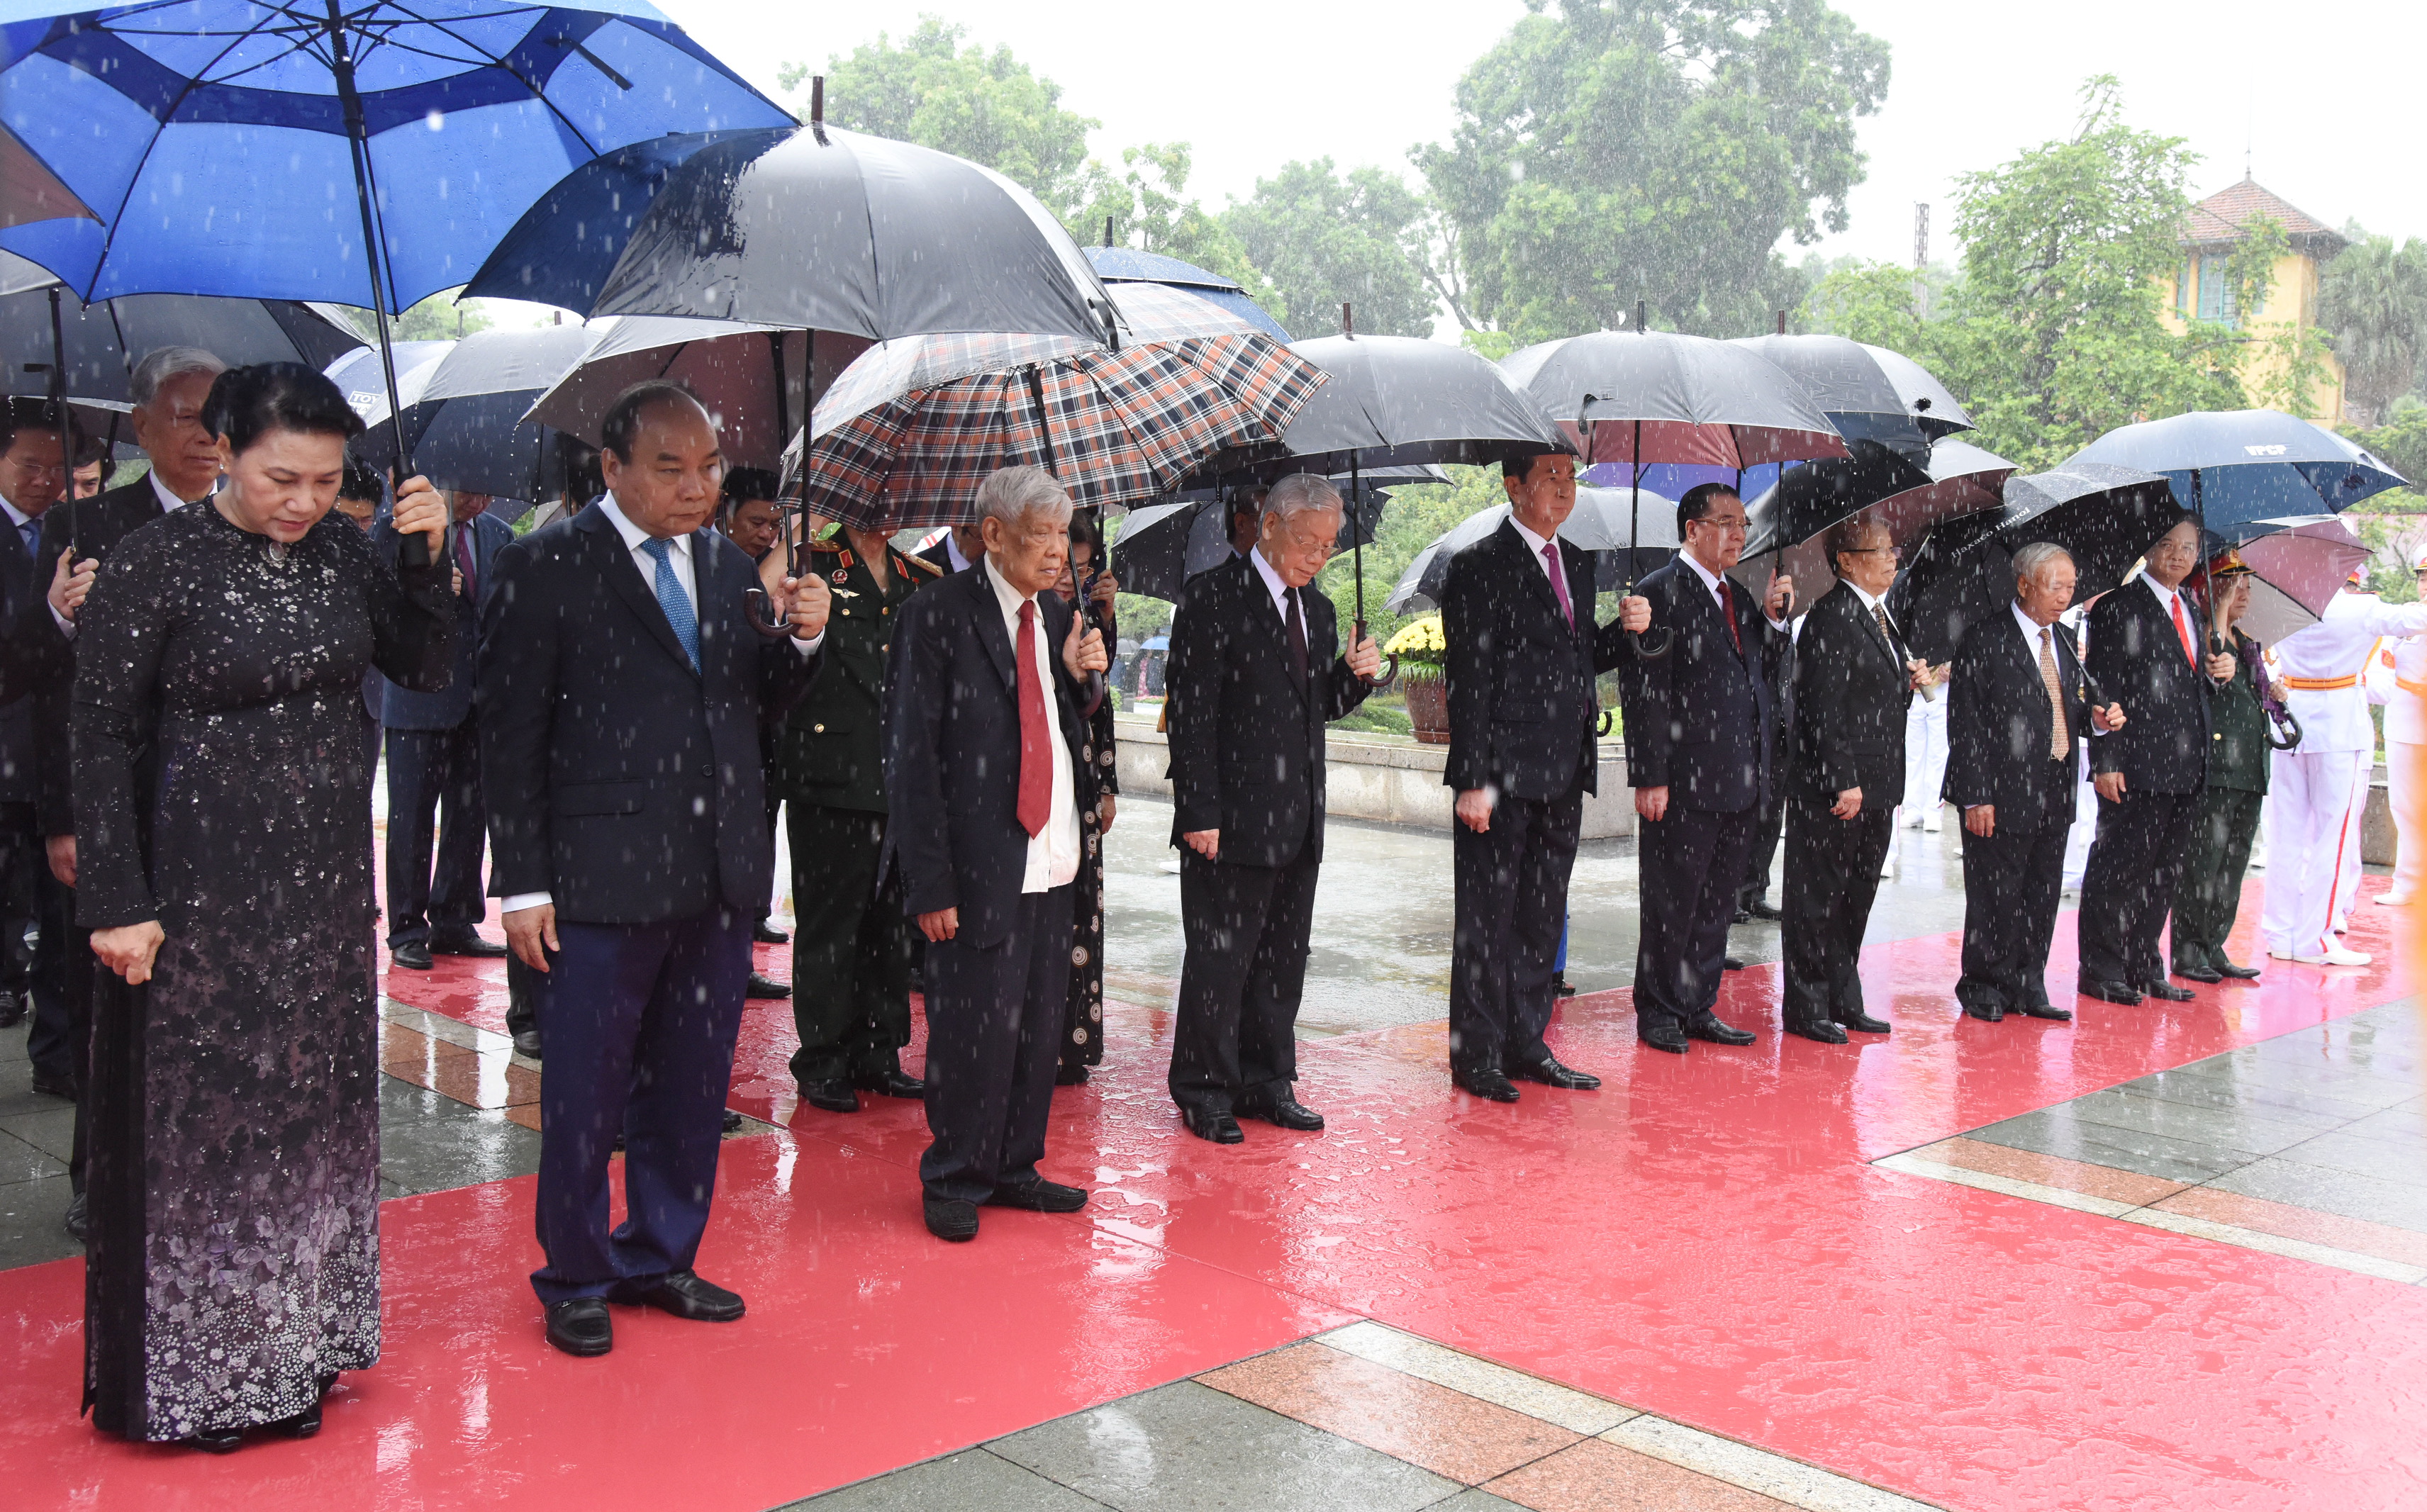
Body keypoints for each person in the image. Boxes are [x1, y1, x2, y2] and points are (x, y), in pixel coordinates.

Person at [74, 362, 457, 1450]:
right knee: (210, 1133)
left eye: (324, 481)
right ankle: (207, 1377)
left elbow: (424, 663)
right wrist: (117, 897)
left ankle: (296, 1346)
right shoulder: (157, 563)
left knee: (310, 1121)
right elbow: (97, 734)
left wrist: (424, 559)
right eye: (280, 478)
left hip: (324, 888)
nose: (302, 501)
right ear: (224, 452)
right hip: (201, 893)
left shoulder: (340, 551)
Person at [479, 380, 827, 1358]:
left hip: (715, 872)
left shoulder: (726, 565)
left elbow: (751, 702)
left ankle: (662, 1251)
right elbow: (511, 735)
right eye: (671, 468)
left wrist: (802, 634)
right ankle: (577, 1272)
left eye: (710, 467)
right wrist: (524, 883)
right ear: (612, 467)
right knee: (585, 1091)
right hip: (595, 879)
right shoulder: (543, 564)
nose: (697, 487)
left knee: (689, 1083)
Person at [11, 345, 227, 1244]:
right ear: (140, 426)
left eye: (221, 416)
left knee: (210, 1001)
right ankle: (98, 1176)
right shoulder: (88, 527)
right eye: (186, 417)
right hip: (118, 804)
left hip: (221, 812)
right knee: (109, 1002)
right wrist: (58, 615)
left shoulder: (257, 526)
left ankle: (201, 1165)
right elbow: (35, 683)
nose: (208, 435)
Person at [885, 464, 1106, 1243]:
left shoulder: (1056, 616)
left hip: (1052, 851)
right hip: (976, 859)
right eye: (1041, 535)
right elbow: (911, 756)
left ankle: (1015, 1163)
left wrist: (1083, 680)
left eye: (1062, 535)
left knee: (1038, 1025)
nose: (1056, 552)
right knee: (971, 1028)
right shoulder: (936, 613)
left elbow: (1059, 722)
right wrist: (929, 881)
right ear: (994, 535)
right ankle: (954, 1172)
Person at [1165, 474, 1381, 1141]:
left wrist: (1355, 677)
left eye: (1329, 545)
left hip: (1297, 815)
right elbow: (1191, 714)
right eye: (1307, 541)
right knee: (1220, 959)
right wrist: (1198, 808)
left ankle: (1266, 1079)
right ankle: (1205, 1087)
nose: (1318, 556)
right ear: (1268, 527)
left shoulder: (1317, 608)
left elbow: (1314, 706)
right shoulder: (1211, 598)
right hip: (1228, 817)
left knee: (1282, 960)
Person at [1442, 452, 1651, 1095]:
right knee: (1487, 919)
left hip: (1563, 770)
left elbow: (1578, 656)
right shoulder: (1478, 565)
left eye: (1569, 478)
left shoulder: (1577, 564)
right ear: (1514, 486)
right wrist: (1471, 779)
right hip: (1499, 774)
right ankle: (1477, 1055)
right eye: (1549, 478)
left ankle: (1525, 1042)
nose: (1564, 489)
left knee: (1540, 916)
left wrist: (1625, 632)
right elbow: (1468, 678)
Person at [770, 506, 937, 1113]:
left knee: (888, 925)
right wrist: (796, 534)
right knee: (830, 924)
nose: (889, 507)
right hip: (830, 773)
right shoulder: (811, 562)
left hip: (897, 776)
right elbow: (768, 633)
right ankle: (822, 1057)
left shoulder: (918, 576)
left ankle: (878, 1051)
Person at [1618, 483, 1792, 1055]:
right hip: (1683, 777)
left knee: (1716, 902)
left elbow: (1760, 674)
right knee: (1672, 899)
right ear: (1692, 529)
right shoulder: (1657, 592)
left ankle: (1697, 1002)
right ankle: (1659, 1009)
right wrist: (1649, 774)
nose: (1739, 534)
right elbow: (1645, 690)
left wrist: (1775, 620)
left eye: (1742, 523)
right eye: (1725, 522)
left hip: (1739, 776)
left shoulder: (1736, 595)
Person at [1947, 544, 2123, 1021]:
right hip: (2000, 787)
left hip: (2054, 782)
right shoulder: (1985, 638)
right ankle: (1985, 984)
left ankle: (2028, 983)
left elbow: (2065, 708)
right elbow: (1965, 724)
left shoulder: (2064, 637)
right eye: (2055, 586)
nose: (2065, 596)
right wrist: (1975, 795)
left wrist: (2096, 721)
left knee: (2041, 890)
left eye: (2071, 586)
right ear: (2024, 584)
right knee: (1995, 893)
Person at [1780, 516, 1924, 1043]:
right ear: (1845, 560)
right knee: (1818, 897)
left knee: (1855, 895)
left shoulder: (1880, 615)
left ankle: (1843, 996)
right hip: (1837, 788)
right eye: (1879, 551)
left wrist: (1909, 679)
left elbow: (1871, 693)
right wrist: (1842, 777)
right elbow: (1821, 707)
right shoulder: (1831, 616)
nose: (1892, 559)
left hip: (1878, 784)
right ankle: (1806, 1004)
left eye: (1892, 549)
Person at [2079, 518, 2235, 1004]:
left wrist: (2219, 671)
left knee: (2163, 873)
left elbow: (2191, 683)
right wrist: (2106, 759)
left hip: (2186, 765)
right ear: (2147, 548)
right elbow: (2102, 686)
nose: (2179, 555)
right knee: (2119, 869)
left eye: (2188, 546)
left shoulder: (2189, 605)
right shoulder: (2118, 606)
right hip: (2136, 762)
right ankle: (2101, 968)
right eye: (2168, 544)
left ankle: (2143, 963)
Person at [2259, 565, 2427, 965]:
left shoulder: (2278, 605)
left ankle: (2281, 933)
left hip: (2290, 725)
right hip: (2338, 729)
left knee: (2284, 837)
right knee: (2331, 839)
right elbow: (2414, 618)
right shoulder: (2360, 609)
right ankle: (2314, 940)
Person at [374, 488, 511, 971]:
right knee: (411, 818)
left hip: (479, 698)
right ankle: (407, 928)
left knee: (470, 815)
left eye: (488, 492)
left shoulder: (499, 535)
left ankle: (455, 919)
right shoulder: (402, 528)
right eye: (472, 490)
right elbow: (379, 602)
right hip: (418, 697)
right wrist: (428, 582)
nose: (481, 501)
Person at [0, 400, 74, 1048]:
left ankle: (55, 1048)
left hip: (52, 749)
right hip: (4, 740)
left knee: (60, 911)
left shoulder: (74, 535)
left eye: (57, 468)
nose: (45, 481)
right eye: (30, 465)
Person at [2170, 554, 2274, 982]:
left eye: (2247, 584)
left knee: (2233, 864)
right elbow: (2204, 679)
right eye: (2233, 584)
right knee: (2203, 864)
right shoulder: (2202, 635)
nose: (2243, 592)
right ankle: (2189, 951)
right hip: (2217, 769)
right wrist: (2216, 614)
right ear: (2208, 591)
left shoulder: (2244, 640)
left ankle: (2214, 945)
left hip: (2249, 767)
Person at [720, 466, 799, 981]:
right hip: (723, 733)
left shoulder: (767, 569)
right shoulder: (718, 569)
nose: (766, 534)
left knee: (761, 827)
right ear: (727, 513)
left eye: (774, 526)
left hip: (764, 729)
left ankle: (752, 917)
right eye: (756, 523)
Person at [1055, 513, 1122, 1085]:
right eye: (1063, 565)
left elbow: (1103, 705)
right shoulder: (1029, 616)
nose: (1069, 577)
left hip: (1083, 779)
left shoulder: (1088, 616)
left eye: (1081, 567)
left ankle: (1073, 1040)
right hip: (1041, 779)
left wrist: (1106, 784)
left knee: (1083, 913)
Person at [2375, 551, 2427, 907]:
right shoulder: (2405, 618)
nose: (2426, 585)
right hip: (2403, 719)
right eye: (2423, 578)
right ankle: (2408, 882)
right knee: (2405, 806)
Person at [915, 520, 984, 576]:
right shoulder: (920, 569)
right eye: (982, 539)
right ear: (957, 528)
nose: (989, 546)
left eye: (990, 536)